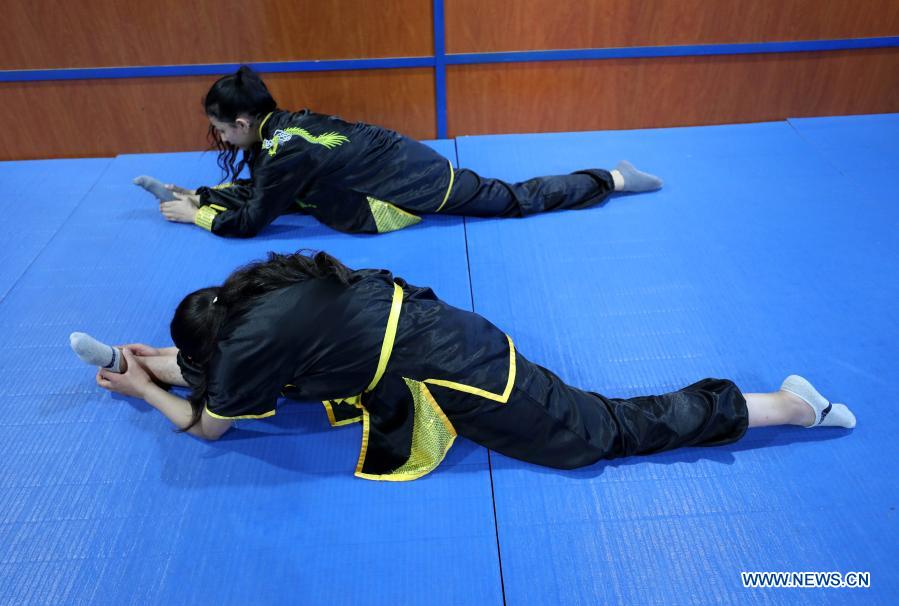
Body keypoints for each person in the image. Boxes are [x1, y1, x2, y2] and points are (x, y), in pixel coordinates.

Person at [71, 251, 855, 481]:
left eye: (190, 358)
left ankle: (785, 407)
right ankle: (779, 405)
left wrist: (146, 387)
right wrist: (163, 360)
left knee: (602, 433)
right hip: (441, 327)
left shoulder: (237, 354)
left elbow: (206, 429)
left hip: (463, 369)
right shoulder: (258, 294)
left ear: (217, 346)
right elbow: (228, 366)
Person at [133, 66, 663, 237]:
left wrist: (199, 216)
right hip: (400, 164)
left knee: (515, 199)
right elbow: (271, 189)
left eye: (222, 130)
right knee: (287, 197)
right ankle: (610, 179)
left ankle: (613, 180)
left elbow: (253, 221)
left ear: (244, 122)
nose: (222, 139)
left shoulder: (281, 150)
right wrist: (202, 194)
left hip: (409, 193)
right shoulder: (284, 130)